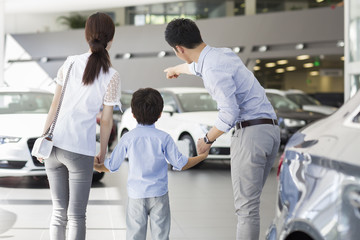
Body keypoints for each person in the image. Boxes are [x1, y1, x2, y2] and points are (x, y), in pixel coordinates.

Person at [163, 18, 280, 240]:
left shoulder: (213, 69)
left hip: (250, 135)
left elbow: (229, 112)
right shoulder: (221, 54)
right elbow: (196, 66)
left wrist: (206, 139)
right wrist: (176, 69)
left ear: (178, 48)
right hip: (270, 130)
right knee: (251, 204)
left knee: (246, 209)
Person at [38, 12, 121, 240]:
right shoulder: (111, 75)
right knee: (76, 216)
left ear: (87, 37)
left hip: (53, 145)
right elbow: (106, 120)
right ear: (110, 40)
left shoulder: (70, 62)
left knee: (58, 212)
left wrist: (43, 139)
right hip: (79, 150)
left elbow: (54, 105)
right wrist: (102, 151)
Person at [94, 87, 209, 240]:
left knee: (134, 236)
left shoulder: (128, 138)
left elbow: (111, 165)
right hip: (159, 195)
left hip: (136, 196)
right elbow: (181, 164)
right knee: (161, 236)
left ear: (133, 114)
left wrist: (95, 166)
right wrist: (202, 156)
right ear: (160, 114)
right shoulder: (164, 138)